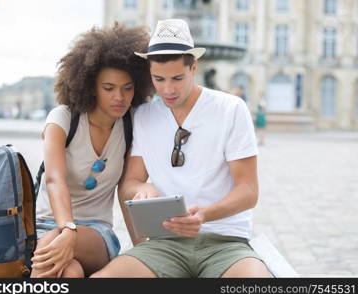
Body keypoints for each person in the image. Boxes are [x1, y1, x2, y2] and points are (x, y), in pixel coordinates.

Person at [91, 19, 272, 278]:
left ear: (194, 67)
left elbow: (249, 191)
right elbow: (130, 182)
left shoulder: (231, 109)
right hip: (165, 244)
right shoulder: (143, 114)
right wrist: (142, 188)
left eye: (177, 78)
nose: (168, 89)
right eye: (158, 79)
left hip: (226, 243)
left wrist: (204, 215)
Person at [30, 23, 154, 278]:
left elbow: (126, 191)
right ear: (90, 86)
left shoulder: (131, 126)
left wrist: (144, 251)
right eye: (108, 88)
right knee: (70, 272)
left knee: (56, 245)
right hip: (46, 225)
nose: (119, 97)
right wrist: (67, 229)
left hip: (97, 234)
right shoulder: (63, 119)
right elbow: (54, 180)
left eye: (127, 87)